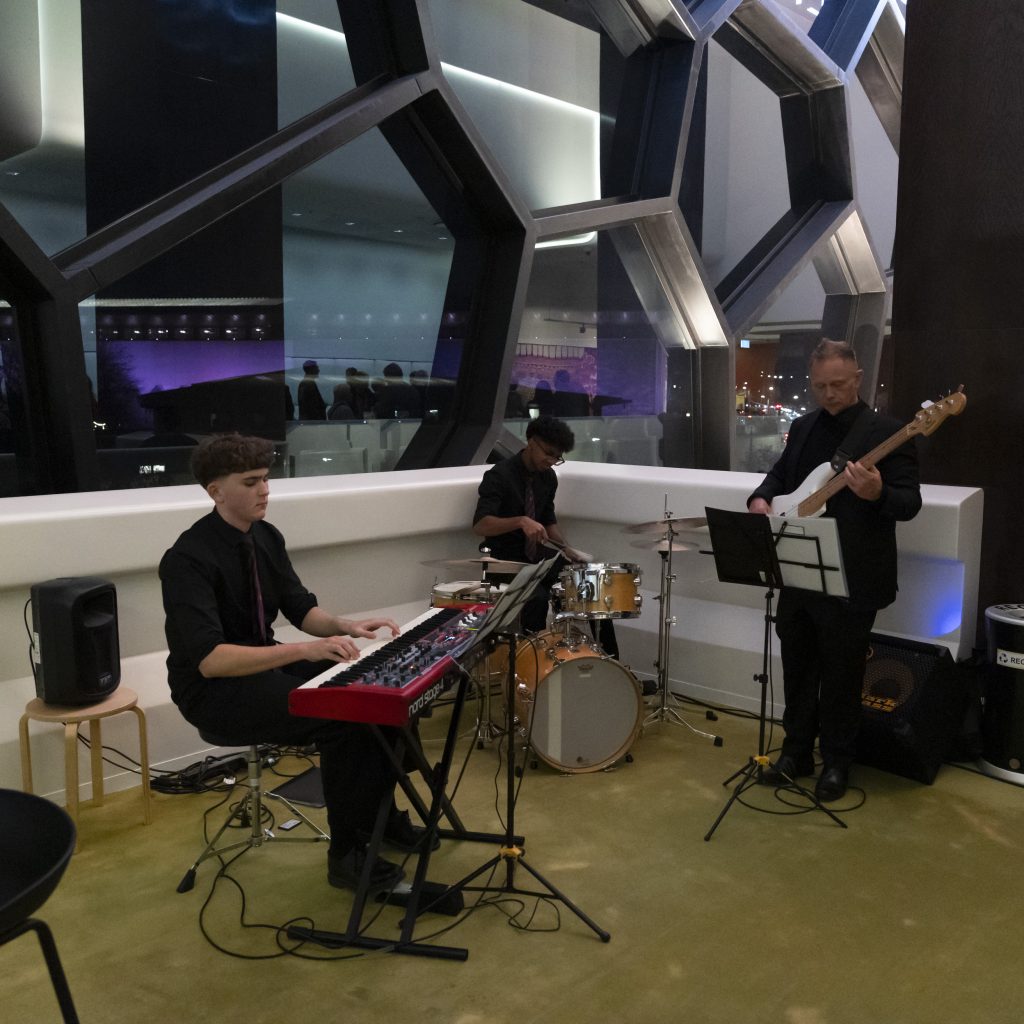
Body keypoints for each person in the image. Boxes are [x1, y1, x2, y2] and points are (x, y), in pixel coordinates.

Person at [159, 433, 427, 892]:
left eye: (266, 479)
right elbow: (211, 661)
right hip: (213, 691)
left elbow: (300, 609)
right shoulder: (187, 560)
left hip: (264, 667)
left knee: (378, 695)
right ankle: (347, 856)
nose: (264, 490)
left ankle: (381, 820)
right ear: (216, 491)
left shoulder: (266, 536)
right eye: (250, 482)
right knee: (344, 717)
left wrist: (346, 626)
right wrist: (304, 651)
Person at [746, 340, 921, 802]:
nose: (829, 393)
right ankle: (796, 753)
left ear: (858, 379)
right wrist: (761, 498)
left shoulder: (889, 432)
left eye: (838, 384)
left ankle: (838, 762)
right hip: (799, 569)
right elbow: (780, 476)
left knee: (843, 676)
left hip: (854, 577)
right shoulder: (803, 426)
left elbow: (909, 503)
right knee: (798, 669)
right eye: (820, 385)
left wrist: (878, 494)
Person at [472, 415, 618, 657]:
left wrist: (566, 548)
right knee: (537, 599)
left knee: (590, 585)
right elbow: (480, 525)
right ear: (531, 442)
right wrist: (520, 521)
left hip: (539, 559)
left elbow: (549, 521)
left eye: (557, 457)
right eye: (548, 453)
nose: (551, 461)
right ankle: (535, 664)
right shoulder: (499, 475)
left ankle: (612, 662)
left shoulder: (548, 477)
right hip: (506, 561)